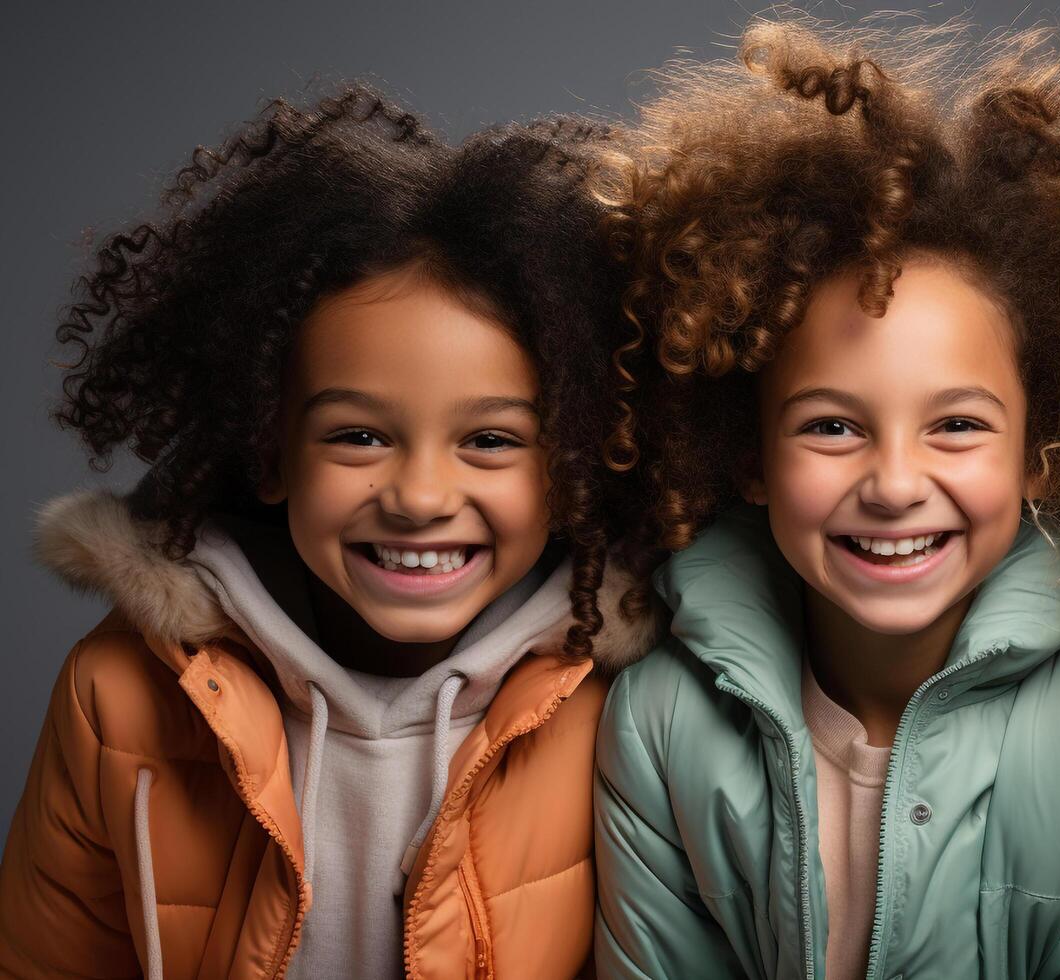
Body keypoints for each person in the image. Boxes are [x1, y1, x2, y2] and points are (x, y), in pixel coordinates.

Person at [591, 15, 1060, 980]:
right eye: (831, 427)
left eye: (957, 426)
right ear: (746, 455)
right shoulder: (660, 720)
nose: (892, 484)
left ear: (1038, 449)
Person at [0, 87, 651, 978]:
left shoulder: (630, 711)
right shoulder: (115, 698)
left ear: (572, 465)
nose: (420, 496)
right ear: (270, 453)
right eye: (359, 436)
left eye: (490, 440)